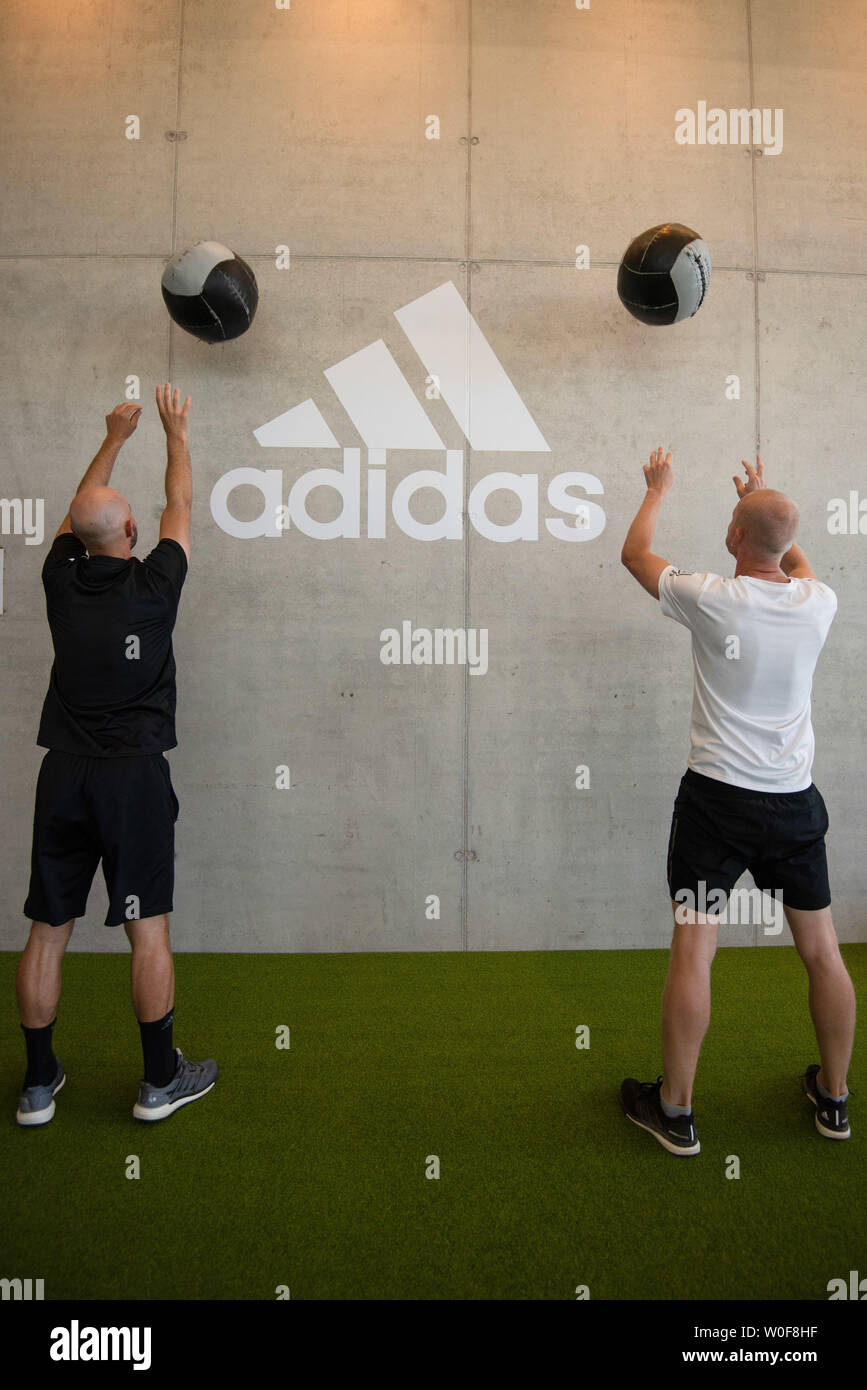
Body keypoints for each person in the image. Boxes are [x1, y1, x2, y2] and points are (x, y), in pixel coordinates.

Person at [618, 448, 855, 1155]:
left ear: (732, 538)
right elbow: (794, 562)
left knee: (694, 950)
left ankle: (676, 1112)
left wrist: (657, 489)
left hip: (716, 807)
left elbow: (634, 554)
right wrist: (768, 511)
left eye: (733, 523)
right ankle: (834, 1100)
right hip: (792, 807)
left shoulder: (710, 595)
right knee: (821, 952)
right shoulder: (818, 602)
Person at [15, 384, 217, 1126]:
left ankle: (39, 1087)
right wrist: (176, 434)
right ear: (133, 529)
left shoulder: (60, 580)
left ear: (78, 534)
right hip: (132, 779)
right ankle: (158, 1082)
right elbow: (181, 508)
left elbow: (81, 509)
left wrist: (110, 438)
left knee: (47, 929)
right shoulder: (157, 583)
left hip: (63, 774)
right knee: (148, 929)